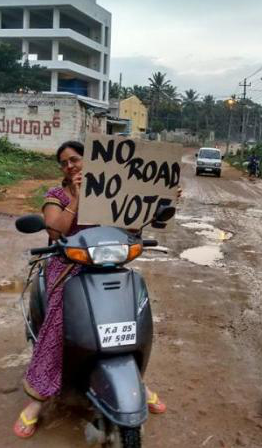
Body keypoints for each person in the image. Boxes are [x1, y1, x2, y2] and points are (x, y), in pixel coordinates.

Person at [13, 140, 167, 439]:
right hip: (68, 264)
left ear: (91, 160)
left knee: (133, 312)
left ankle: (138, 380)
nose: (70, 165)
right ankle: (38, 399)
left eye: (75, 159)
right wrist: (78, 196)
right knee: (58, 319)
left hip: (107, 263)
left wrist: (158, 201)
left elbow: (133, 224)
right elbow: (56, 229)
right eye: (64, 162)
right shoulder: (56, 194)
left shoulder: (112, 188)